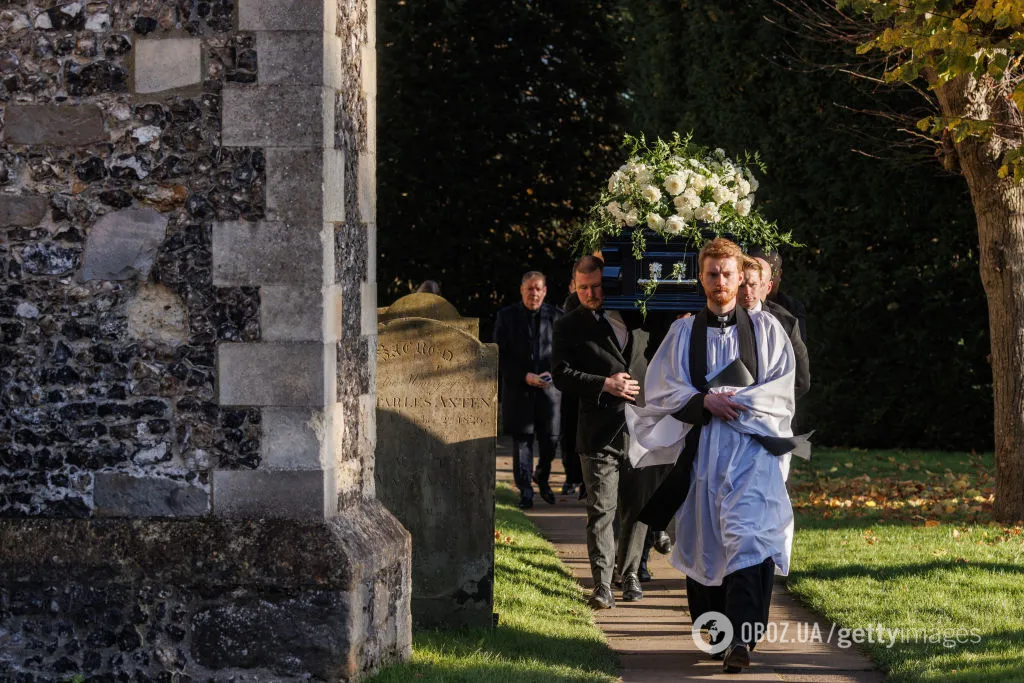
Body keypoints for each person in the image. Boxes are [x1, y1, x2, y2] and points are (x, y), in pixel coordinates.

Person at [626, 238, 801, 673]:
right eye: (712, 274)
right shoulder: (684, 332)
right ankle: (716, 632)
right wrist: (704, 401)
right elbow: (663, 386)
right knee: (706, 544)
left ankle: (742, 640)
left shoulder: (767, 331)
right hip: (705, 456)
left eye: (727, 274)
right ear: (701, 278)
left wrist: (738, 402)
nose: (720, 282)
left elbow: (783, 389)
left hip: (752, 453)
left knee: (748, 539)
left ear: (742, 277)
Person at [552, 255, 652, 608]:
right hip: (597, 430)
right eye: (583, 289)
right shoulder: (568, 325)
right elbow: (561, 374)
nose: (592, 294)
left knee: (638, 508)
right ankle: (602, 584)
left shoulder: (640, 315)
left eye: (596, 287)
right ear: (574, 287)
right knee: (601, 509)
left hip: (641, 428)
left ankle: (630, 574)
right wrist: (604, 384)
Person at [494, 271, 562, 509]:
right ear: (522, 290)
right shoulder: (506, 317)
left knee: (550, 441)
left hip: (549, 391)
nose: (534, 293)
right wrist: (525, 376)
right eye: (529, 289)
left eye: (538, 289)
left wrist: (555, 373)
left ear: (545, 291)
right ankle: (525, 490)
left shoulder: (557, 317)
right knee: (522, 442)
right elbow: (499, 355)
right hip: (519, 390)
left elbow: (565, 353)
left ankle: (541, 477)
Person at [739, 257, 810, 400]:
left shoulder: (786, 323)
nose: (747, 291)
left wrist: (760, 404)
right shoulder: (720, 318)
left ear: (765, 286)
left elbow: (801, 381)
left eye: (753, 284)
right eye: (741, 285)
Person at [560, 279, 585, 497]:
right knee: (570, 432)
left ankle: (584, 482)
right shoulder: (571, 304)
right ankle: (572, 476)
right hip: (574, 380)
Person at [749, 248, 806, 342]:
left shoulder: (792, 309)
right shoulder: (736, 305)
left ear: (779, 274)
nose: (762, 280)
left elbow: (798, 350)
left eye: (772, 272)